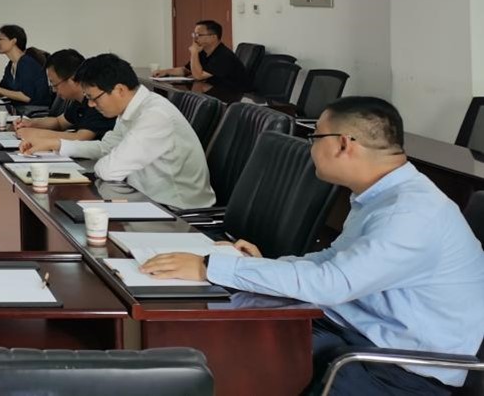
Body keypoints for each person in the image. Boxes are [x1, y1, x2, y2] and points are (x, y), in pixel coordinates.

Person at [141, 97, 484, 395]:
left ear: (343, 144)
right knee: (219, 349)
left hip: (396, 370)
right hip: (352, 334)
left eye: (315, 137)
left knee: (236, 362)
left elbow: (331, 283)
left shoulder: (410, 213)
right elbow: (332, 262)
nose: (310, 147)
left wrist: (209, 267)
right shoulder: (381, 196)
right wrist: (263, 267)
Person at [57, 53, 214, 209]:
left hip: (176, 210)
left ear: (119, 90)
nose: (90, 104)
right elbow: (106, 148)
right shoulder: (130, 108)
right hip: (144, 199)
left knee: (79, 210)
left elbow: (110, 170)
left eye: (93, 98)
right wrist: (59, 146)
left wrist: (107, 160)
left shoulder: (155, 116)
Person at [15, 49, 116, 153]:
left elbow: (81, 138)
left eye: (55, 84)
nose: (54, 90)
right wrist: (31, 123)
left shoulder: (96, 101)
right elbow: (59, 122)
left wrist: (36, 134)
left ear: (72, 79)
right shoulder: (78, 100)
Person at [152, 20, 246, 93]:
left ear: (213, 37)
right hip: (211, 90)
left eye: (199, 35)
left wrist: (194, 52)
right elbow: (186, 70)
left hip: (231, 95)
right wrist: (165, 71)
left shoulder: (223, 55)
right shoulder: (203, 51)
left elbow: (198, 76)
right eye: (194, 34)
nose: (195, 38)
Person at [0, 24, 51, 109]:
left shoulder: (26, 63)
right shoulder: (11, 65)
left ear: (13, 41)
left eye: (1, 39)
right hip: (19, 110)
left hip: (34, 112)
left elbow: (27, 97)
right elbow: (2, 91)